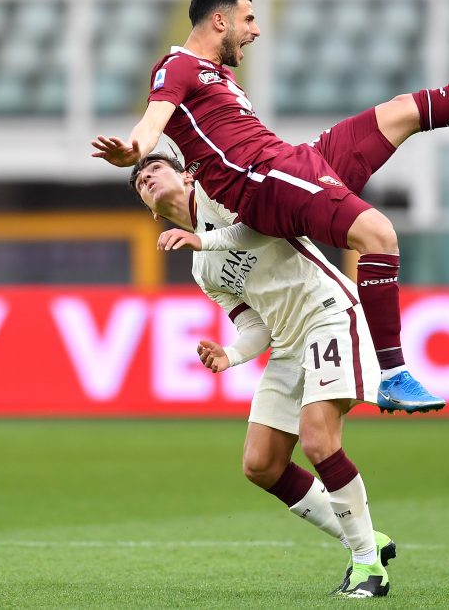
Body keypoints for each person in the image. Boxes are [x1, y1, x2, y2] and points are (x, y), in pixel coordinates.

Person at [92, 0, 449, 412]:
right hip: (270, 179)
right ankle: (393, 373)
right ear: (219, 20)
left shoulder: (221, 77)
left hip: (294, 162)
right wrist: (134, 148)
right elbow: (154, 118)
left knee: (403, 110)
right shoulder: (178, 66)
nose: (256, 31)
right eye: (249, 19)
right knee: (379, 234)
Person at [131, 147, 395, 597]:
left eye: (156, 169)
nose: (148, 179)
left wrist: (205, 239)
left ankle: (368, 567)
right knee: (261, 464)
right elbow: (254, 325)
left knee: (317, 438)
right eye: (140, 182)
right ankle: (370, 540)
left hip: (327, 312)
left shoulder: (222, 195)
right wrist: (230, 356)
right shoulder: (201, 269)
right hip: (289, 343)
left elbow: (256, 227)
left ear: (187, 179)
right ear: (150, 212)